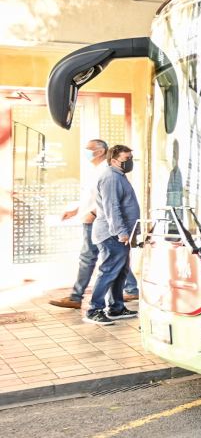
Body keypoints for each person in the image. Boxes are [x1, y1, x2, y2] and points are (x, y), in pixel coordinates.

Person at [50, 139, 139, 310]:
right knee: (112, 262)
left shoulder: (109, 173)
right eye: (126, 158)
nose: (85, 151)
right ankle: (108, 301)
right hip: (103, 223)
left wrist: (93, 214)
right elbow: (102, 200)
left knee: (104, 261)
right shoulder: (106, 173)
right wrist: (77, 210)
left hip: (100, 221)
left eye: (89, 149)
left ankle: (87, 301)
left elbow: (110, 204)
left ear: (100, 151)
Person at [83, 145, 140, 325]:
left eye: (131, 158)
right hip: (111, 234)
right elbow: (112, 208)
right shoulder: (111, 178)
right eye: (126, 159)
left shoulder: (118, 176)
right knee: (108, 272)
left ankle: (116, 307)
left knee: (120, 272)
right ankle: (94, 310)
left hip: (118, 234)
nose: (130, 162)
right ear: (114, 160)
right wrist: (121, 232)